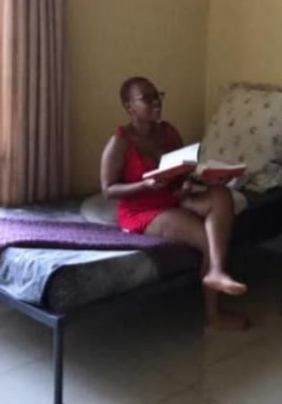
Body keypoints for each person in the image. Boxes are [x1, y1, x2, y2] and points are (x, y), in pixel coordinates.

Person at [100, 76, 251, 331]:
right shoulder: (120, 141)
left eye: (157, 95)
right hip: (143, 209)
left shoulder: (169, 131)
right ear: (129, 107)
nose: (156, 102)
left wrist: (192, 182)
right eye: (146, 98)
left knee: (221, 195)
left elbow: (181, 172)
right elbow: (108, 190)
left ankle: (215, 272)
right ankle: (213, 314)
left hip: (173, 197)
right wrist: (143, 185)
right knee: (207, 240)